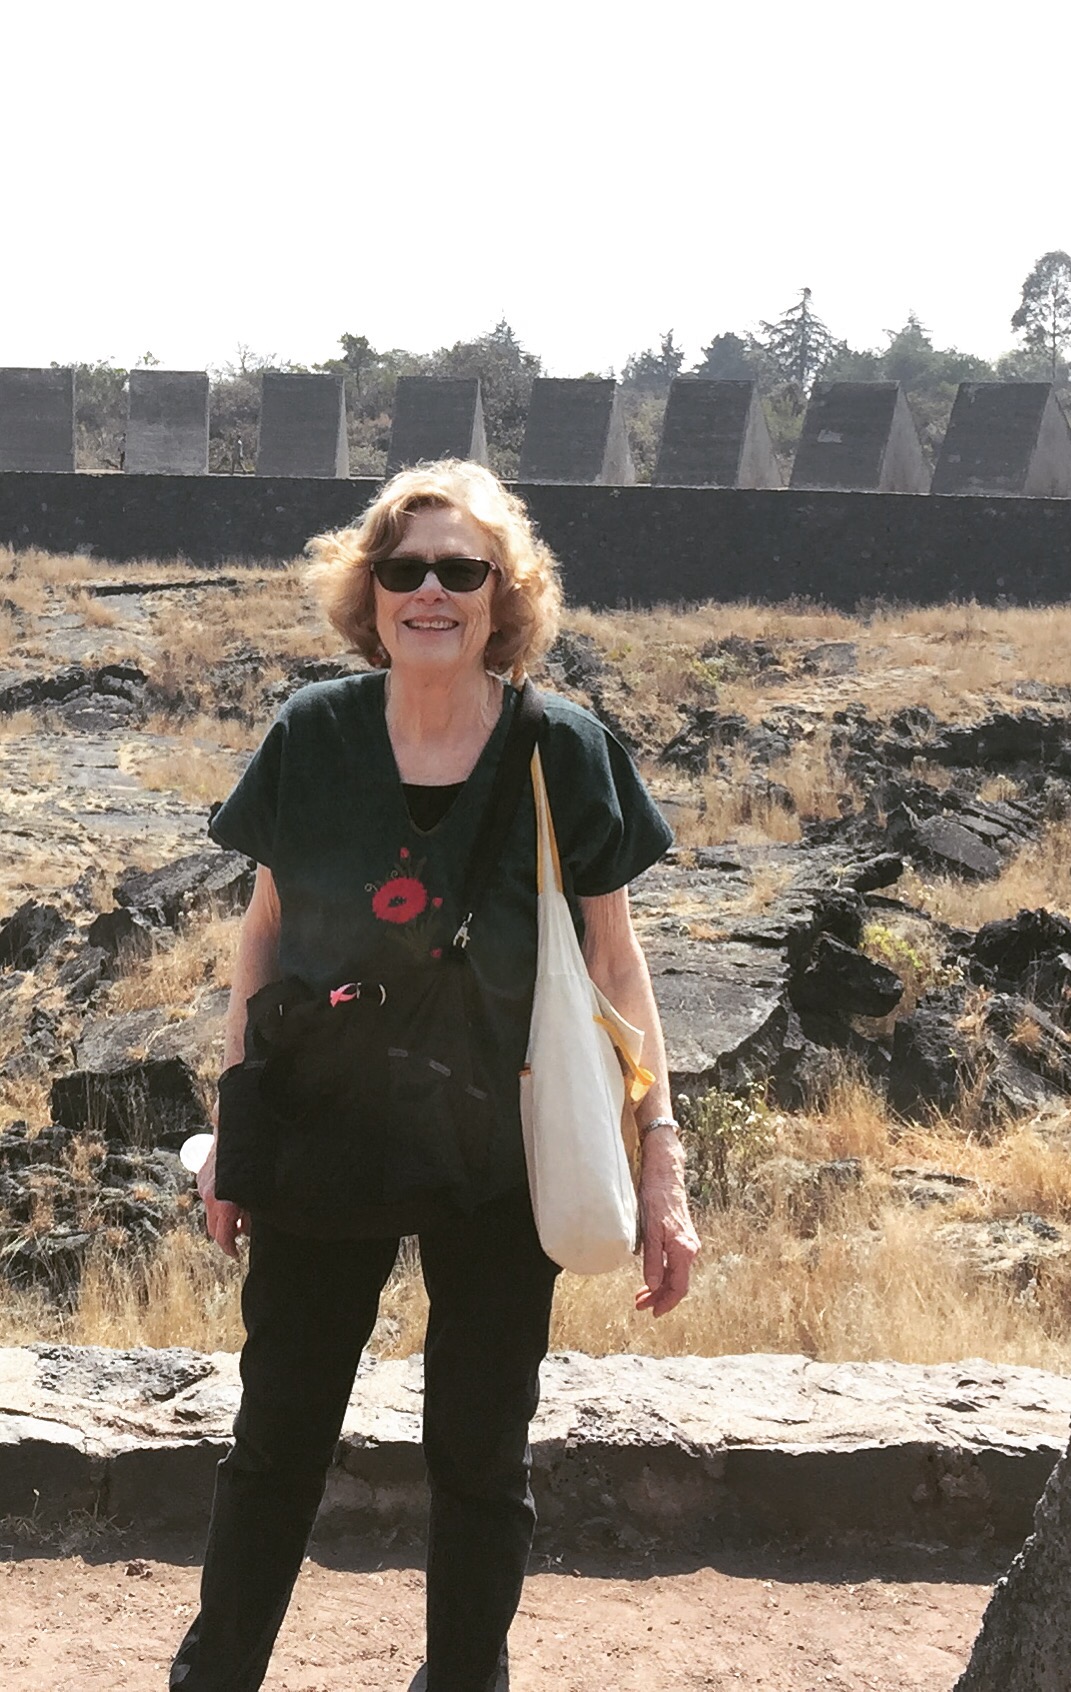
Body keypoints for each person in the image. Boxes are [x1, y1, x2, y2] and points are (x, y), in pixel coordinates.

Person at [171, 459, 698, 1692]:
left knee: (478, 1450)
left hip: (496, 1147)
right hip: (322, 1134)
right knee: (278, 1438)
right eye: (405, 569)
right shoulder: (313, 736)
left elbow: (615, 961)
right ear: (371, 590)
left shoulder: (563, 750)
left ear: (501, 595)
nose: (431, 592)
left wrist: (660, 1160)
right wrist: (235, 1140)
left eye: (462, 571)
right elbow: (263, 935)